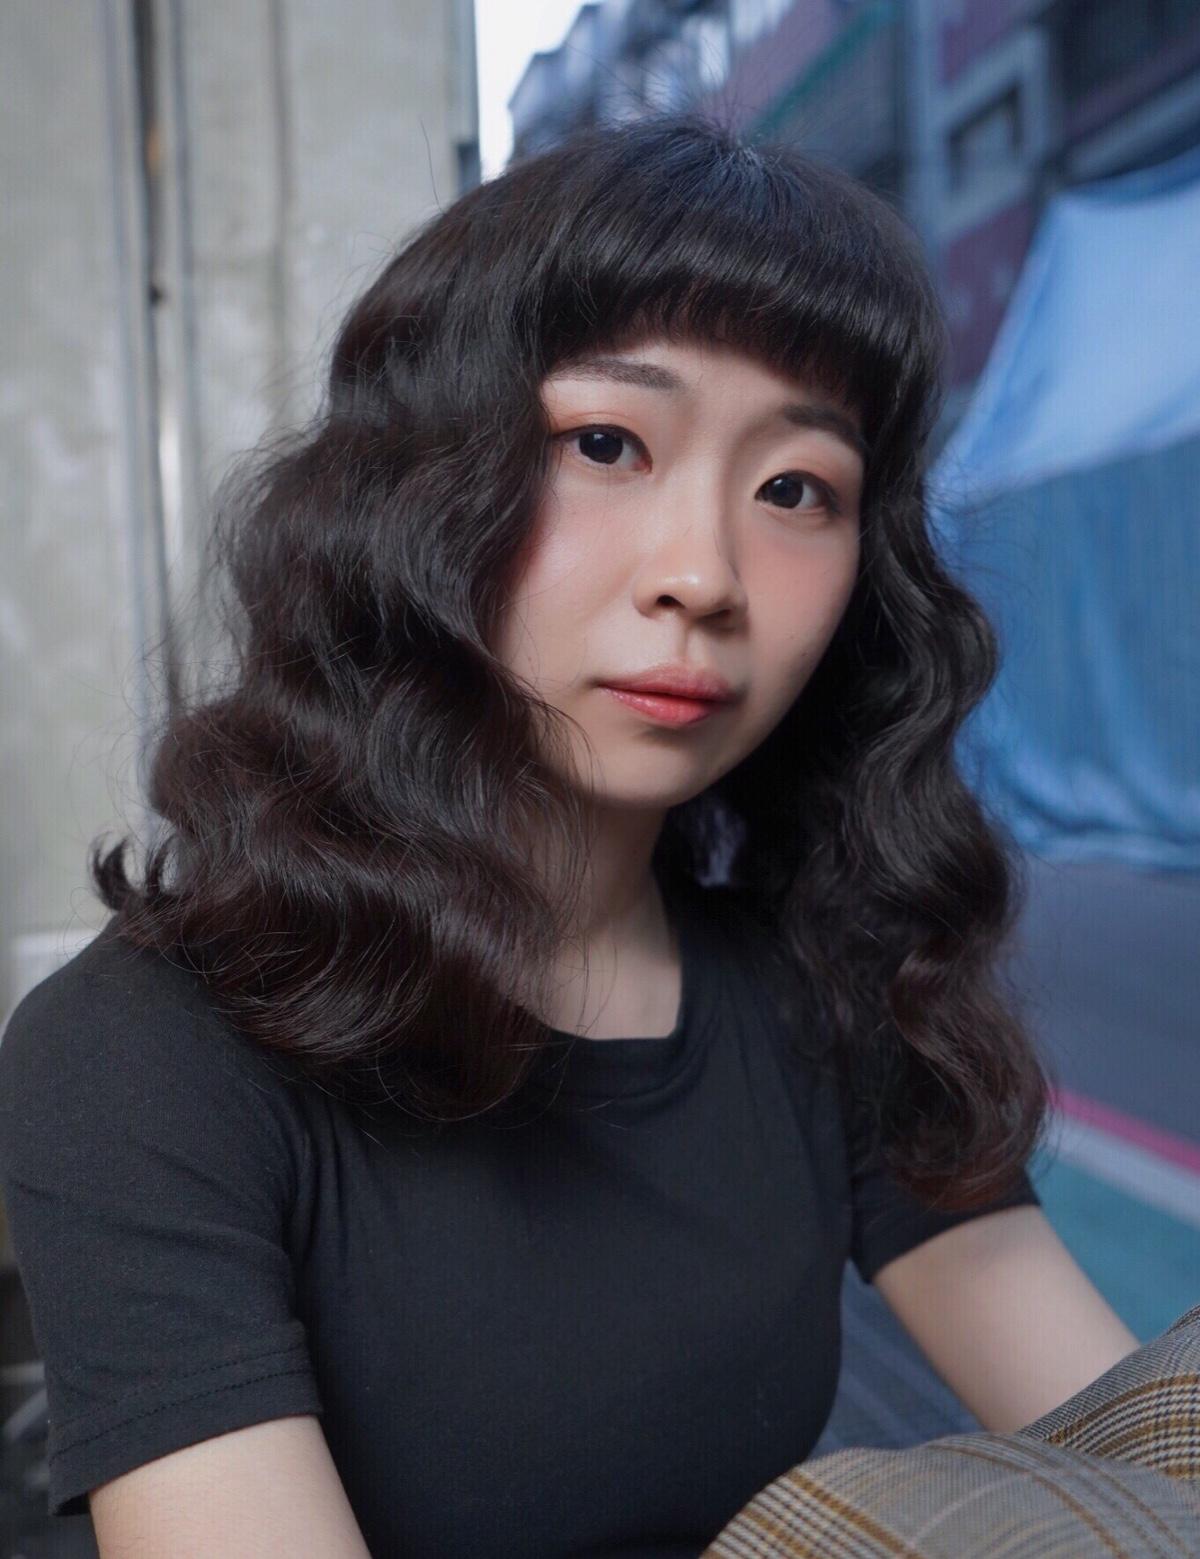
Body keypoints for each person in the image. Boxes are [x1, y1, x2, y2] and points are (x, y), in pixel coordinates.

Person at [0, 112, 1140, 1558]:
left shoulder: (830, 997)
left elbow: (1135, 1453)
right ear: (413, 491)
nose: (703, 575)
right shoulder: (141, 1056)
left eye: (797, 489)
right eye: (605, 443)